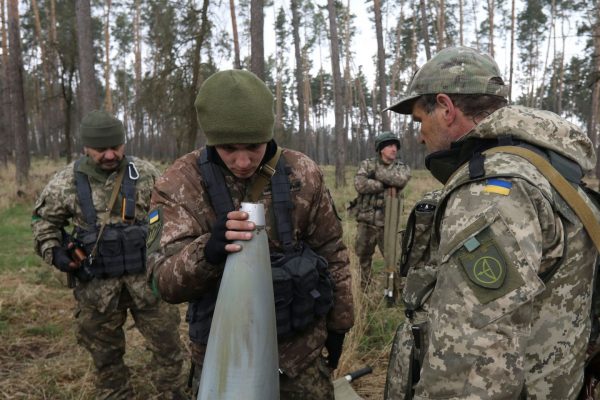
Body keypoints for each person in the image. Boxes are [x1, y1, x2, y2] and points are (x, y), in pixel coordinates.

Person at [384, 46, 599, 398]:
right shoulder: (546, 168)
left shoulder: (489, 194)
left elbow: (472, 362)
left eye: (420, 120)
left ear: (446, 108)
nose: (420, 135)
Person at [146, 69, 354, 399]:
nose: (243, 161)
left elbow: (331, 250)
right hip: (225, 365)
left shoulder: (303, 172)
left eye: (254, 147)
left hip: (300, 357)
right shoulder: (179, 184)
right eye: (229, 148)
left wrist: (340, 323)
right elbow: (161, 282)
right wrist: (208, 251)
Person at [31, 110, 185, 400]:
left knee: (168, 348)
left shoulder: (147, 174)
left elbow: (170, 216)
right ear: (86, 148)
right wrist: (55, 253)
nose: (110, 154)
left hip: (148, 284)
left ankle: (173, 392)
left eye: (116, 147)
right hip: (97, 290)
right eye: (101, 149)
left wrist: (163, 253)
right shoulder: (66, 182)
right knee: (105, 358)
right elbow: (43, 223)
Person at [352, 132, 411, 287]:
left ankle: (393, 292)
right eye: (390, 146)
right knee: (363, 257)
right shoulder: (367, 164)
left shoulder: (402, 167)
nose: (394, 149)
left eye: (395, 146)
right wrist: (383, 184)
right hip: (366, 220)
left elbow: (401, 180)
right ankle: (364, 290)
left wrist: (376, 175)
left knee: (393, 259)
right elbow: (360, 184)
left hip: (389, 223)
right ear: (381, 149)